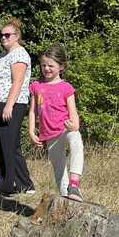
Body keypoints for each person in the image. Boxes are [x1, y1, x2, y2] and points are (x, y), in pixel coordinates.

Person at [0, 18, 34, 195]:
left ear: (17, 36)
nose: (3, 38)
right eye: (1, 35)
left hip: (8, 104)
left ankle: (5, 184)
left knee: (7, 145)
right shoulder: (5, 55)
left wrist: (8, 106)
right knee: (10, 144)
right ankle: (24, 184)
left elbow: (17, 82)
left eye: (7, 35)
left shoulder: (19, 54)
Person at [29, 44, 84, 201]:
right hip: (49, 135)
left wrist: (75, 125)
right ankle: (66, 197)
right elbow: (32, 111)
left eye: (50, 65)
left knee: (76, 139)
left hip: (65, 129)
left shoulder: (66, 87)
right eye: (43, 65)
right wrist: (31, 131)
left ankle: (74, 184)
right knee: (59, 169)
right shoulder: (36, 86)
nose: (46, 68)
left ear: (61, 67)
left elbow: (73, 112)